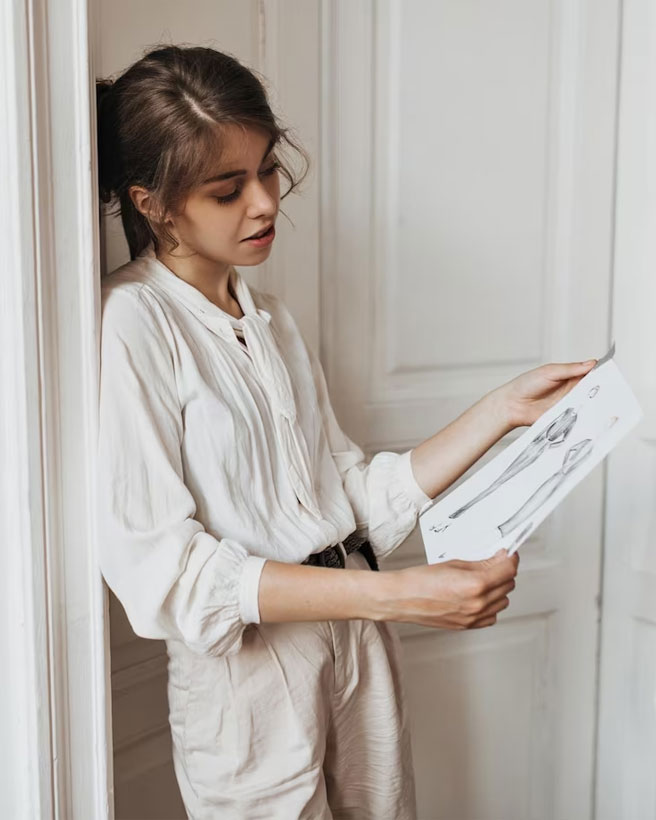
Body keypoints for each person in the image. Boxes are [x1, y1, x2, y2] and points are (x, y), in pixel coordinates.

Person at [95, 44, 596, 820]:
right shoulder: (132, 322)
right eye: (228, 190)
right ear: (153, 203)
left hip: (359, 643)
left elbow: (349, 497)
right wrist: (395, 596)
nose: (264, 203)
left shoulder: (270, 318)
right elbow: (168, 574)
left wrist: (500, 411)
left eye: (268, 170)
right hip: (254, 677)